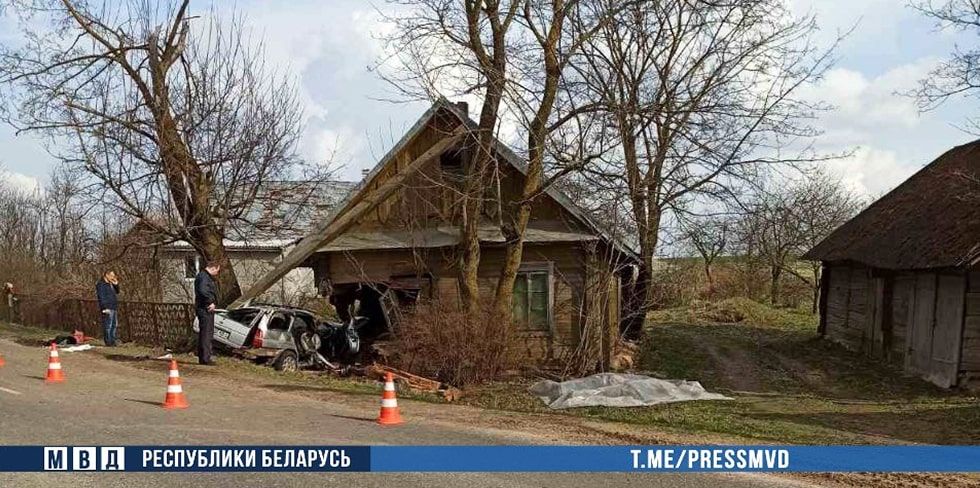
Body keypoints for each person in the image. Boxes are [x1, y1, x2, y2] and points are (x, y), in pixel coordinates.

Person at [194, 260, 220, 366]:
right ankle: (205, 358)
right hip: (205, 308)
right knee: (206, 333)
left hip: (203, 307)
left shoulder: (202, 276)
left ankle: (203, 356)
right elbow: (203, 290)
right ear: (213, 268)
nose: (217, 274)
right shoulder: (204, 277)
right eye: (217, 271)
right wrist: (210, 302)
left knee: (204, 333)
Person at [96, 271, 120, 346]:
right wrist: (105, 307)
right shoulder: (101, 284)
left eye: (113, 275)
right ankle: (108, 342)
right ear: (106, 275)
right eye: (111, 276)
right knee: (108, 325)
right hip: (107, 307)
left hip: (113, 306)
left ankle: (113, 341)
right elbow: (101, 297)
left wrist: (116, 285)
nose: (113, 277)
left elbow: (117, 292)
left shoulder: (111, 284)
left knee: (114, 325)